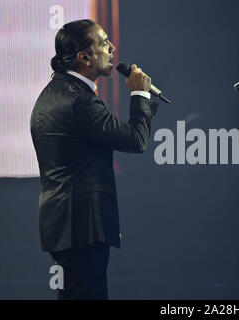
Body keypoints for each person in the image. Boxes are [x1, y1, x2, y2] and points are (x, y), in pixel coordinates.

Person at [30, 19, 158, 299]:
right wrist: (139, 94)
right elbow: (136, 140)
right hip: (82, 227)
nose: (112, 48)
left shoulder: (51, 95)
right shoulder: (80, 101)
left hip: (65, 226)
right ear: (84, 57)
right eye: (103, 42)